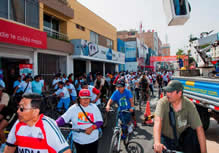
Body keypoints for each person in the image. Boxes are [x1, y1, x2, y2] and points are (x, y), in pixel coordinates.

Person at [4, 93, 71, 153]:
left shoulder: (47, 126)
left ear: (35, 112)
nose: (18, 111)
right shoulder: (18, 123)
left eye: (22, 108)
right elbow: (9, 148)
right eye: (18, 107)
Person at [153, 80, 207, 153]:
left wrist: (204, 151)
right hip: (165, 138)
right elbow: (157, 121)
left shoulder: (189, 105)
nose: (167, 94)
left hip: (181, 139)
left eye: (171, 92)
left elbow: (199, 128)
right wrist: (157, 142)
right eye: (167, 91)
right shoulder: (162, 103)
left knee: (192, 134)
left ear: (179, 93)